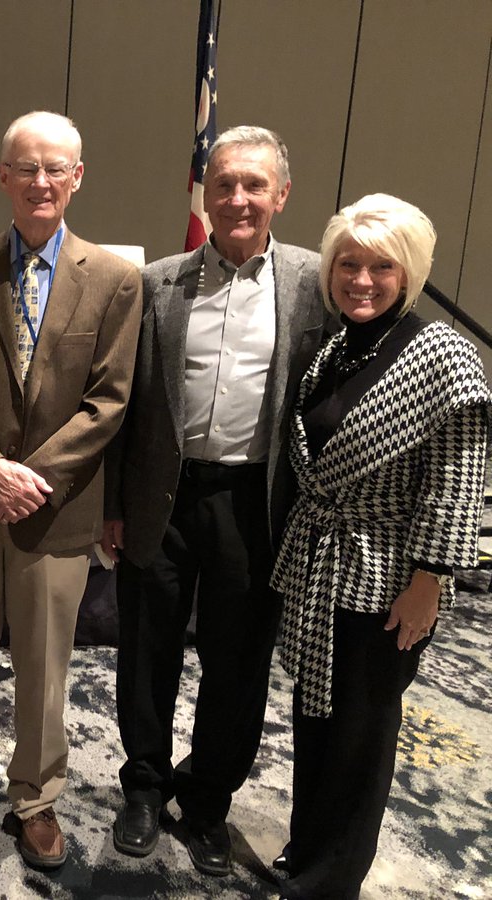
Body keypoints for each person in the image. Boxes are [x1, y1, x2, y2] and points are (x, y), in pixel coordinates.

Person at [0, 111, 142, 869]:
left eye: (56, 168)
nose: (40, 182)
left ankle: (36, 797)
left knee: (46, 667)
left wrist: (29, 479)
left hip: (56, 511)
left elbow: (109, 402)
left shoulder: (114, 280)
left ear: (77, 178)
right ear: (2, 177)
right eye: (26, 168)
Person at [100, 125, 327, 875]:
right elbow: (122, 405)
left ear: (281, 196)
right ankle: (142, 787)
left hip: (253, 504)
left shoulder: (315, 283)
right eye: (223, 183)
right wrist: (111, 503)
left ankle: (206, 804)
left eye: (253, 185)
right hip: (162, 495)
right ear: (205, 192)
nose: (236, 198)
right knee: (145, 650)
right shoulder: (156, 281)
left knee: (238, 663)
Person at [271, 194, 490, 899]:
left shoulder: (443, 357)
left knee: (362, 733)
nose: (361, 280)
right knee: (316, 713)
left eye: (381, 267)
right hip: (323, 562)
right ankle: (306, 849)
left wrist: (429, 581)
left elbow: (458, 483)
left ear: (411, 273)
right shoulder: (337, 346)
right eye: (348, 264)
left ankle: (330, 879)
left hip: (387, 573)